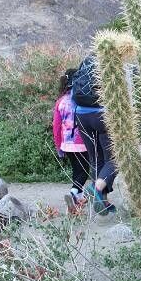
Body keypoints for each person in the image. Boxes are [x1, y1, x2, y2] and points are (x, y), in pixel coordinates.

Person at [72, 55, 117, 215]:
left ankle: (102, 201)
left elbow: (72, 98)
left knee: (96, 159)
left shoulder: (83, 68)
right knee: (114, 158)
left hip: (81, 116)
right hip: (102, 116)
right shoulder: (109, 66)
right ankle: (96, 187)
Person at [53, 69, 89, 214]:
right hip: (81, 143)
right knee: (84, 171)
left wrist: (58, 146)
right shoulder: (82, 98)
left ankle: (77, 200)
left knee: (76, 170)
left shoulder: (60, 101)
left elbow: (56, 127)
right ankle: (74, 192)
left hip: (66, 144)